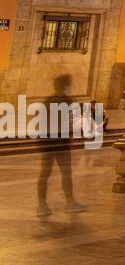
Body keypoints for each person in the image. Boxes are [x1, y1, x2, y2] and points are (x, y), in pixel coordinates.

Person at [36, 74, 88, 217]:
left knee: (44, 173)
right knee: (66, 173)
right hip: (60, 143)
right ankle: (70, 202)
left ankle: (41, 205)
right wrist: (71, 136)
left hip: (47, 142)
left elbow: (40, 123)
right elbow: (71, 122)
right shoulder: (67, 101)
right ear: (66, 85)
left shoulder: (46, 101)